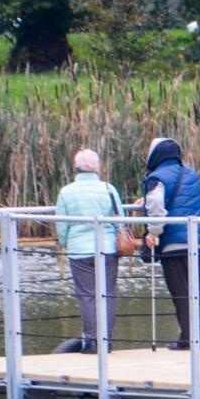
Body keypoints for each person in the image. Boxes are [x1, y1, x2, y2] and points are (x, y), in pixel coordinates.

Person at [142, 136, 200, 349]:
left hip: (175, 243)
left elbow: (156, 207)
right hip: (198, 241)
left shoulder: (157, 178)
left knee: (180, 292)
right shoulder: (190, 173)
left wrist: (153, 233)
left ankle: (190, 339)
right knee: (193, 290)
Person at [54, 148, 123, 352]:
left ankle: (92, 341)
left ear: (76, 168)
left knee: (87, 296)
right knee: (107, 293)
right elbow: (121, 219)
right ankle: (106, 340)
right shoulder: (109, 189)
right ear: (97, 168)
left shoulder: (66, 192)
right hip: (107, 249)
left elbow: (61, 226)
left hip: (79, 251)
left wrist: (68, 244)